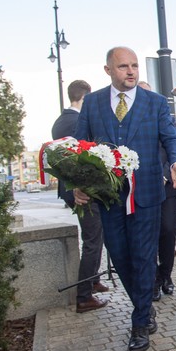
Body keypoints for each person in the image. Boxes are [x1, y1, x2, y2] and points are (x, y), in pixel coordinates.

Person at [73, 46, 176, 351]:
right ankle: (144, 306)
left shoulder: (155, 103)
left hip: (147, 194)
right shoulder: (93, 103)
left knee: (144, 257)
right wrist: (78, 185)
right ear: (108, 70)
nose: (131, 71)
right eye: (124, 66)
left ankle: (139, 324)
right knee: (120, 256)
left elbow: (171, 137)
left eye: (135, 65)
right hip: (109, 197)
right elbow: (80, 147)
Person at [51, 79, 109, 313]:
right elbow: (79, 160)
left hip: (75, 190)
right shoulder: (74, 122)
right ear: (85, 99)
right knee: (93, 241)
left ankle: (93, 279)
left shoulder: (61, 120)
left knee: (96, 237)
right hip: (82, 192)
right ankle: (84, 296)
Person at [139, 80, 176, 302]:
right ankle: (153, 280)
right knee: (148, 237)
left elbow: (174, 148)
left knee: (168, 232)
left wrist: (164, 174)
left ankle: (166, 276)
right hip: (142, 190)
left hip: (167, 188)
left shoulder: (164, 117)